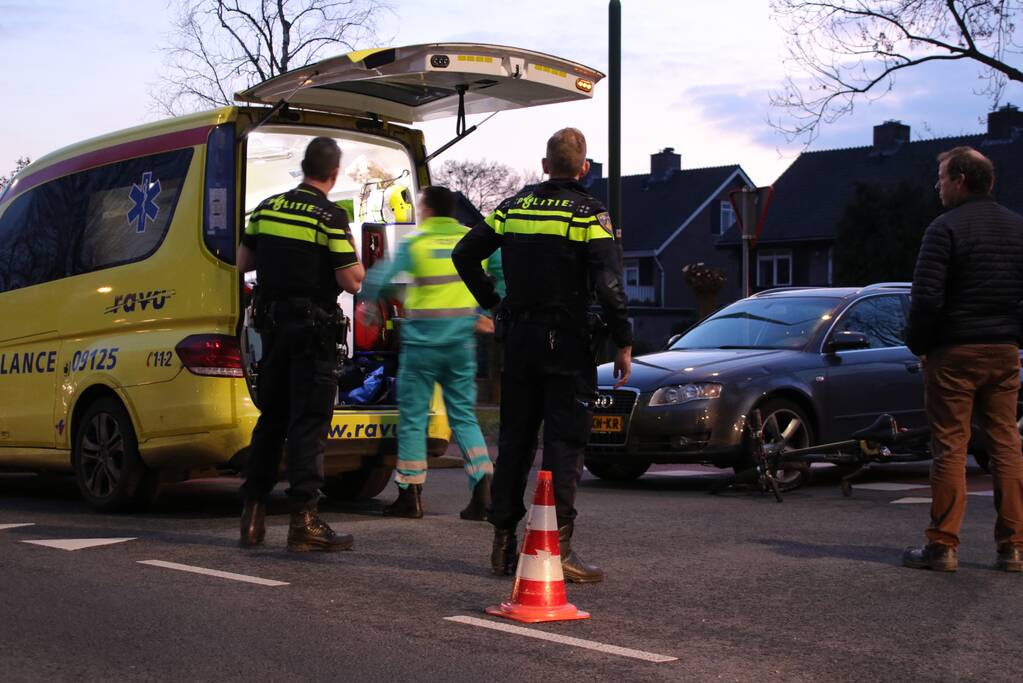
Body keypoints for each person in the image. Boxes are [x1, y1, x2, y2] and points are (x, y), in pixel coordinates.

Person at [452, 128, 633, 583]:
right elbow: (610, 287)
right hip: (567, 343)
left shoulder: (514, 207)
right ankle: (558, 549)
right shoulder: (590, 213)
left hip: (518, 339)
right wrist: (624, 340)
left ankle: (502, 547)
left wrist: (493, 303)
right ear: (584, 168)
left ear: (545, 165)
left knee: (514, 443)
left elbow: (464, 253)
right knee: (564, 445)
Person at [236, 136, 365, 552]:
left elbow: (243, 262)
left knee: (271, 419)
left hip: (272, 330)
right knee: (308, 424)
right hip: (313, 333)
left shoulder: (267, 207)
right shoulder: (329, 215)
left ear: (303, 168)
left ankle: (252, 513)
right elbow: (351, 279)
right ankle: (303, 521)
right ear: (333, 174)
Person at [903, 146, 1023, 573]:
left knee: (951, 445)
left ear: (960, 180)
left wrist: (919, 344)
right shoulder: (1017, 228)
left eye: (940, 178)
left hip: (954, 351)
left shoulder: (944, 229)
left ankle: (943, 544)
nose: (937, 187)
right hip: (1004, 351)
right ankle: (1013, 547)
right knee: (1006, 442)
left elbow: (927, 298)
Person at [359, 185, 495, 519]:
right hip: (461, 344)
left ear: (429, 210)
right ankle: (482, 486)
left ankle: (410, 495)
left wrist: (373, 303)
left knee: (414, 418)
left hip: (422, 346)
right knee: (462, 414)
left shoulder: (415, 242)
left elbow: (379, 278)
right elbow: (499, 271)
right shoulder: (471, 238)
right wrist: (489, 313)